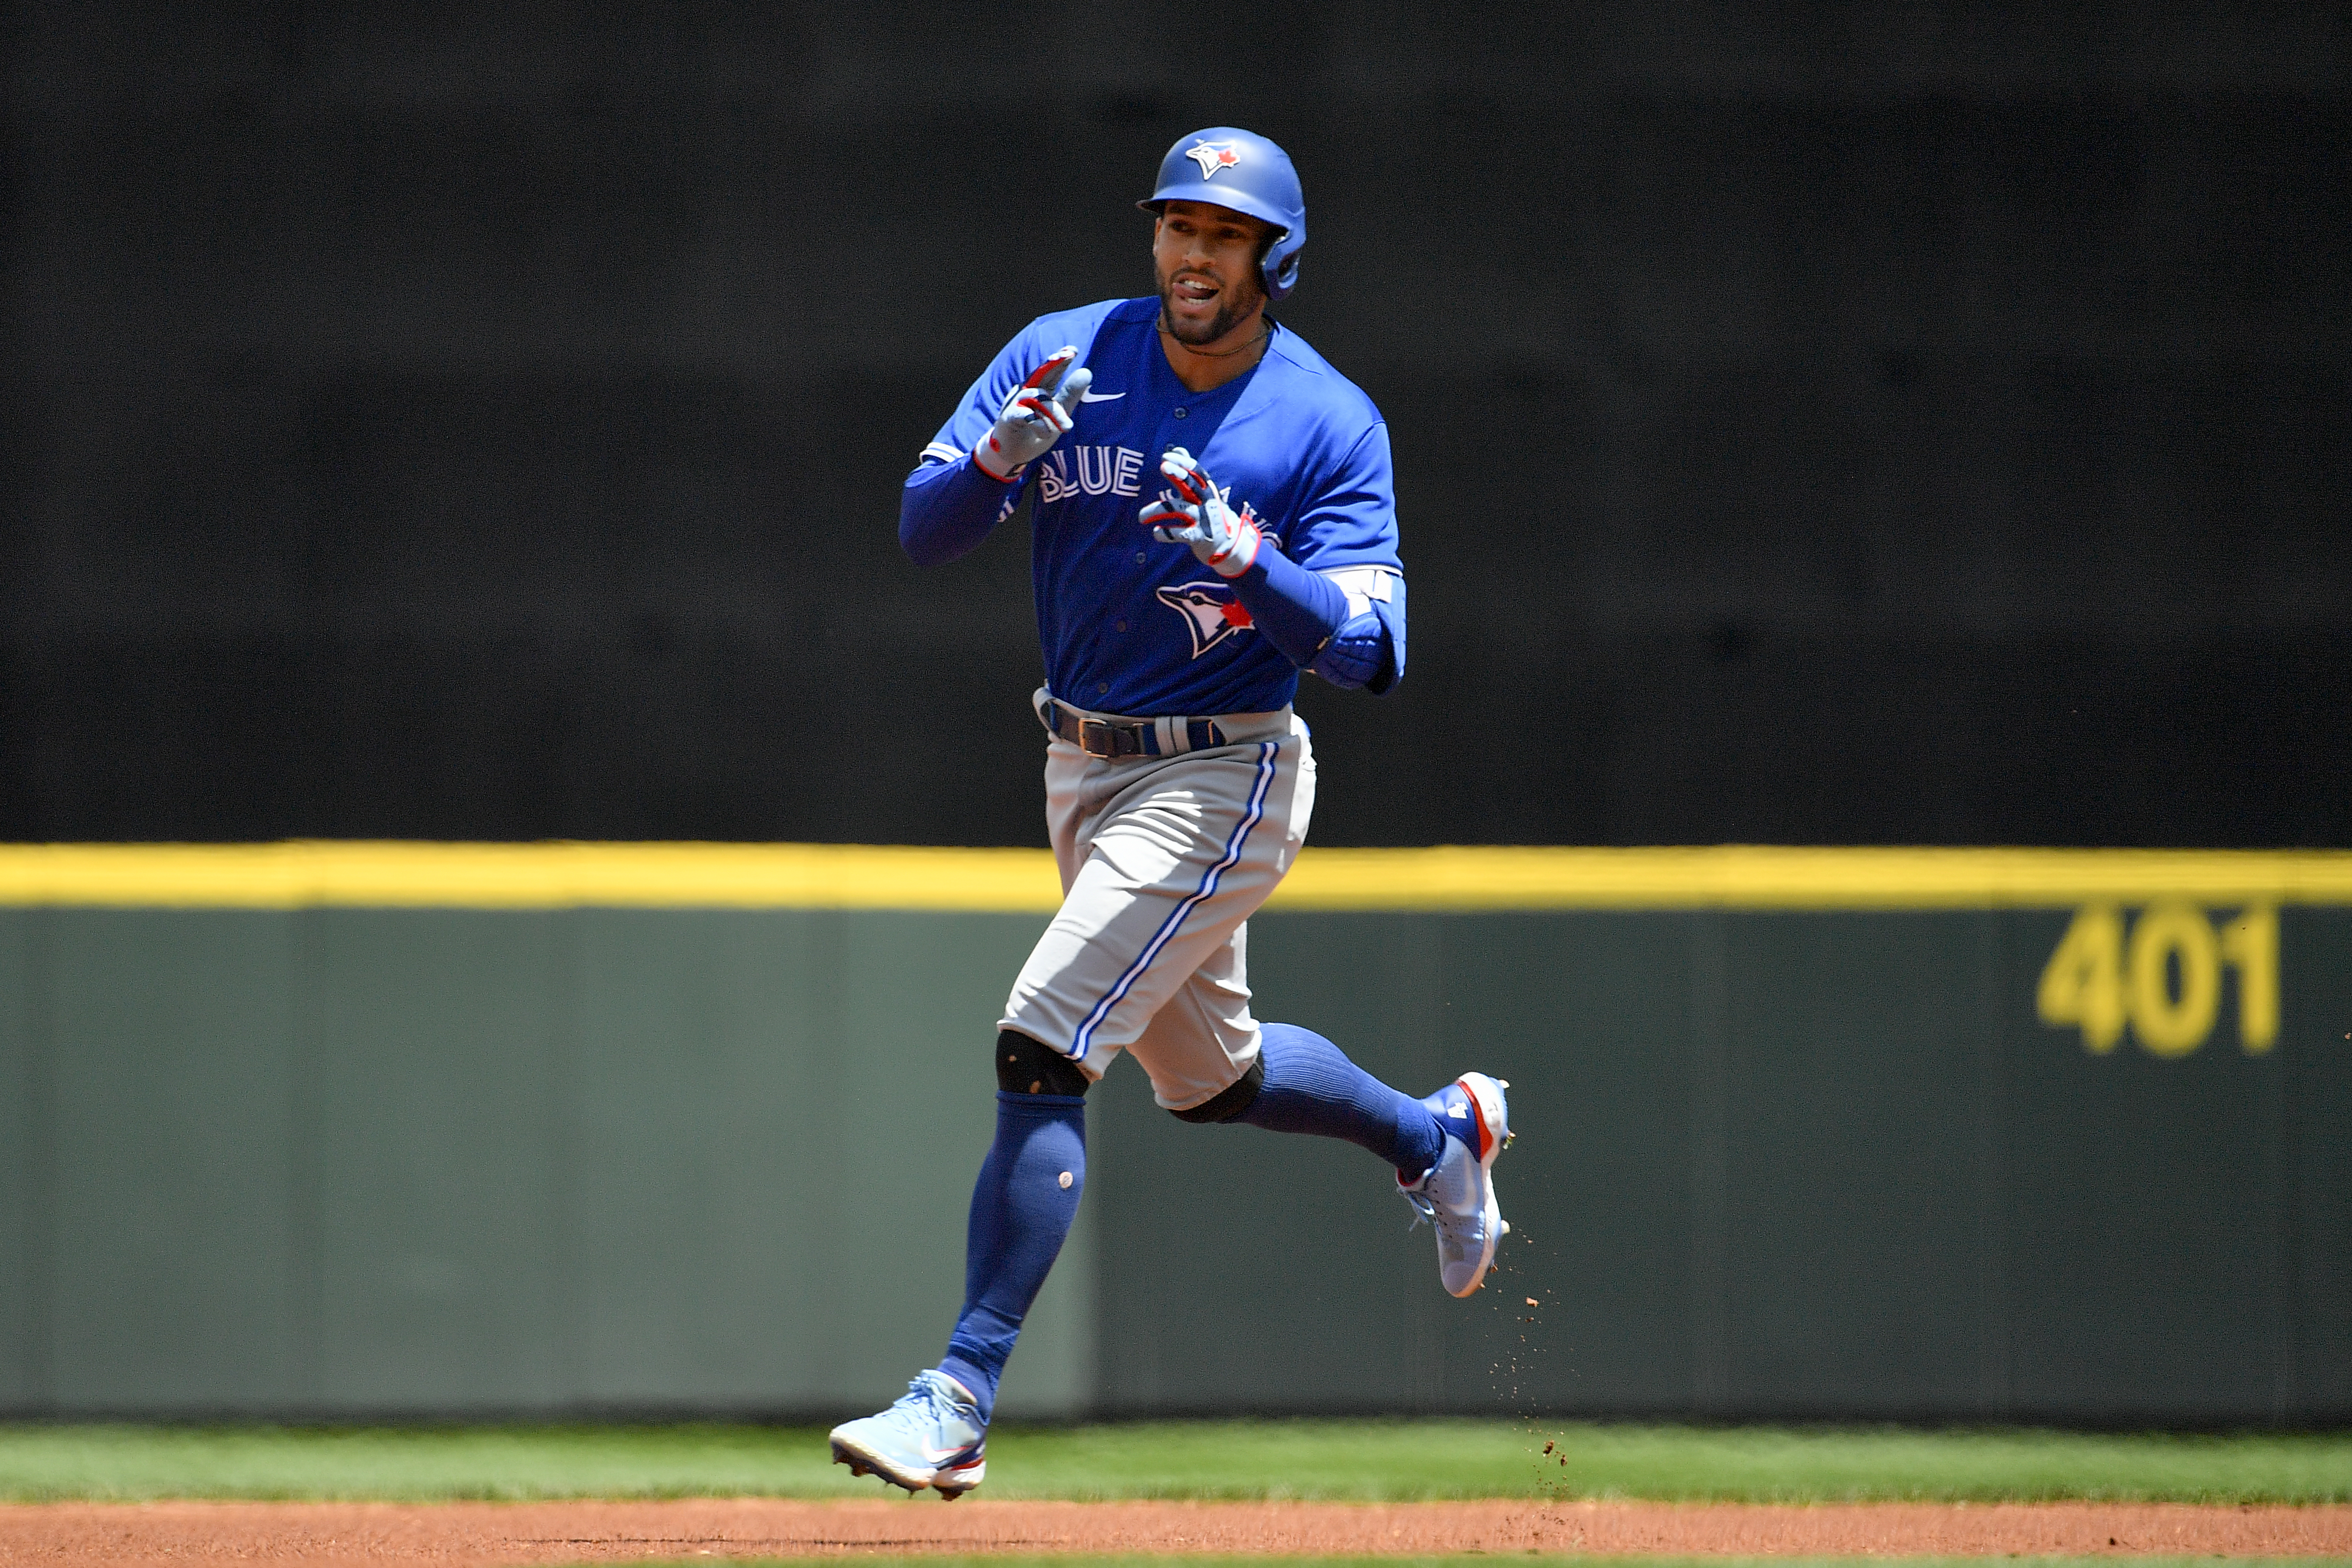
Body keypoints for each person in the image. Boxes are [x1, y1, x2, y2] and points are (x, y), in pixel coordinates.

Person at [828, 127, 1514, 1498]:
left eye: (1227, 234)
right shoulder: (1065, 349)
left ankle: (959, 1389)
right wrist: (994, 465)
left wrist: (1255, 565)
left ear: (1277, 257)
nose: (1195, 255)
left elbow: (1375, 651)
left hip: (1229, 768)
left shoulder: (1326, 417)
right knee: (1217, 1080)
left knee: (1044, 1030)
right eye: (1178, 227)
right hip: (1082, 762)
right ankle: (1441, 1136)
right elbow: (919, 530)